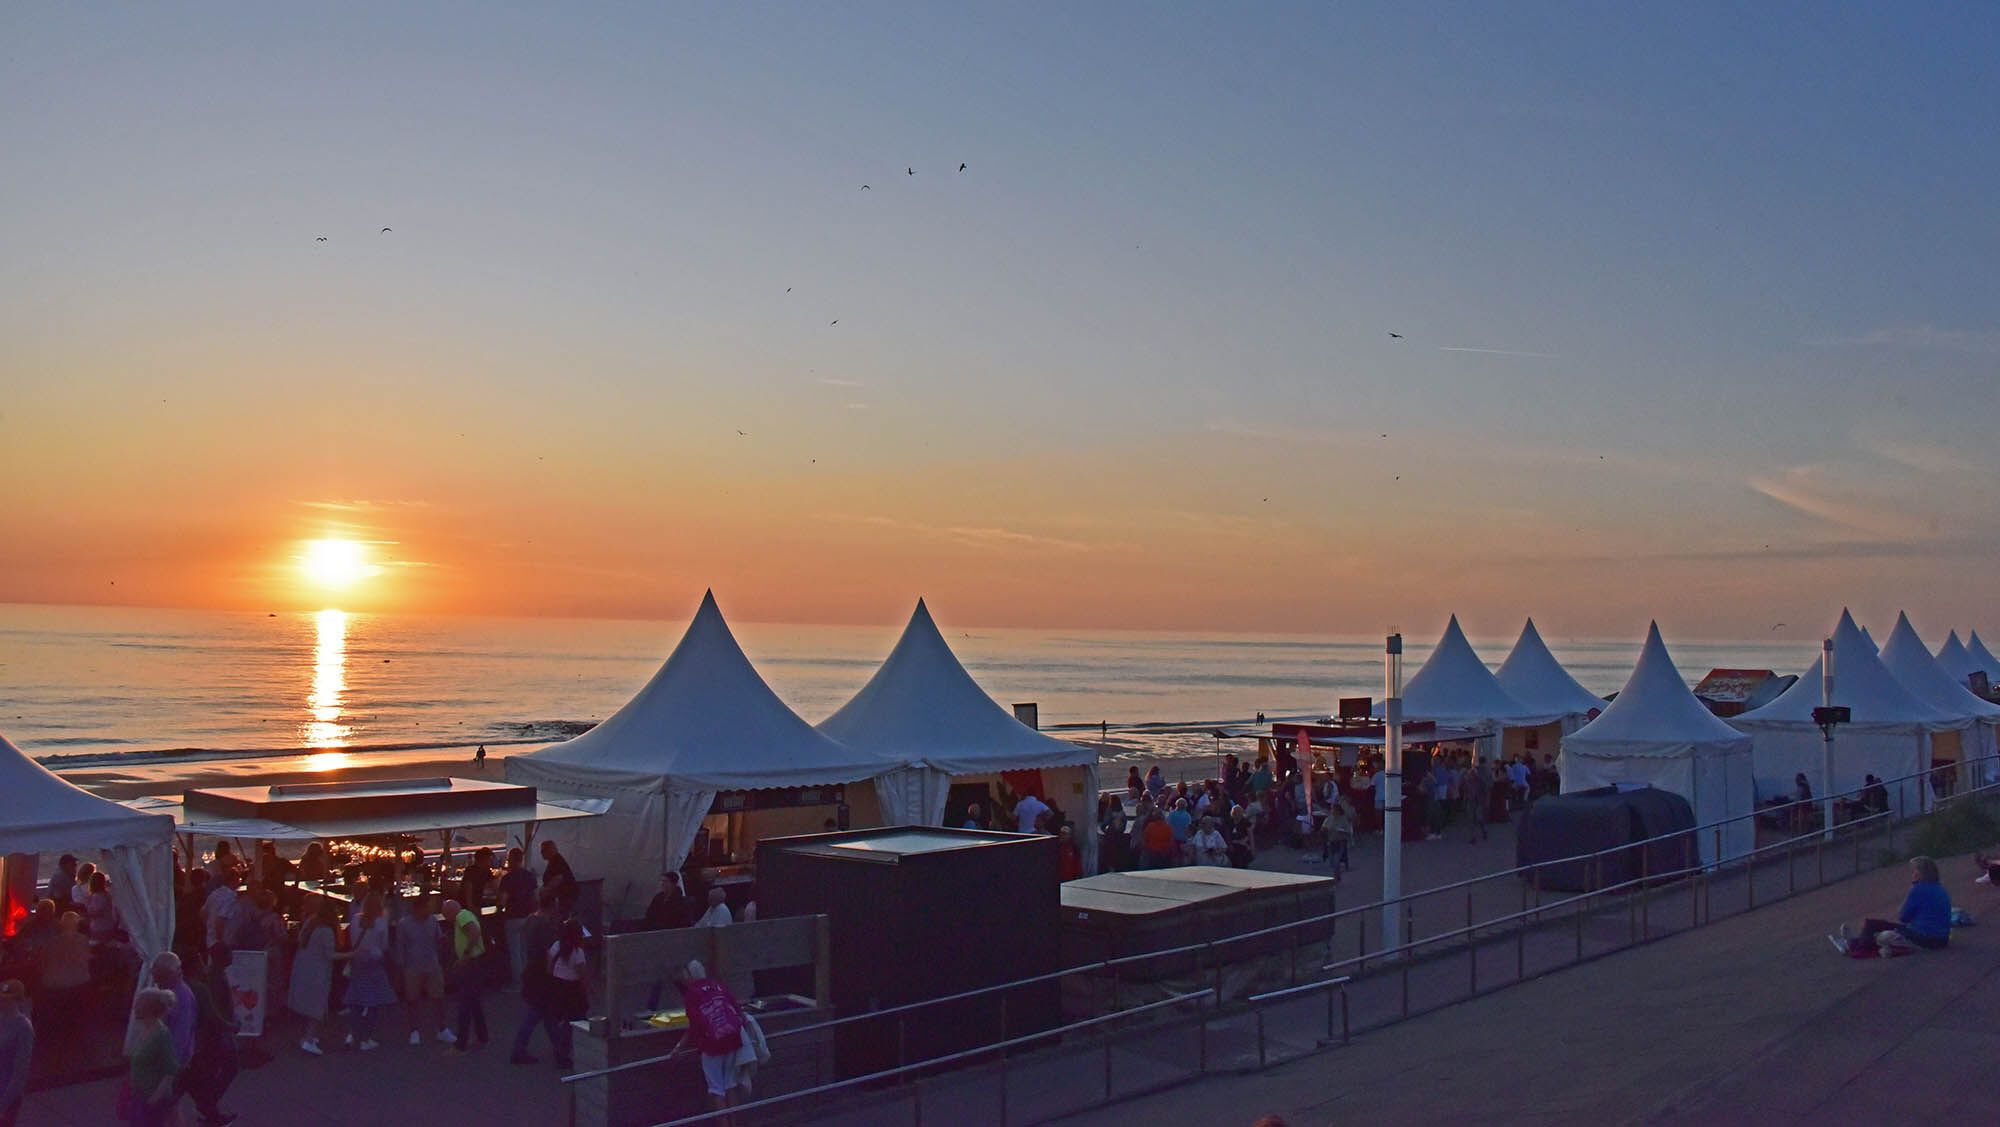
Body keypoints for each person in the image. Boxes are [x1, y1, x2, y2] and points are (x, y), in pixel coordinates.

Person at [1832, 856, 1952, 956]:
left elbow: (1903, 917)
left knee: (1876, 930)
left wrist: (1912, 888)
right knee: (1880, 929)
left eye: (1914, 870)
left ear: (1919, 873)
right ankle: (1853, 943)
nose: (1912, 873)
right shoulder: (1940, 888)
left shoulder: (1918, 889)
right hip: (1941, 939)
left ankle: (1854, 948)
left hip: (1923, 937)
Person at [672, 961, 747, 1114]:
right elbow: (739, 1012)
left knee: (717, 1090)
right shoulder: (718, 987)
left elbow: (695, 1027)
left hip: (712, 1045)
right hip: (732, 1039)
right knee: (730, 1086)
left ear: (689, 976)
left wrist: (679, 1047)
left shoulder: (692, 995)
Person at [177, 948, 239, 1127]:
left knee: (201, 1077)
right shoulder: (201, 985)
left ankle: (208, 1110)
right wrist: (231, 1026)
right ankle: (208, 1109)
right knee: (228, 1067)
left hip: (195, 1039)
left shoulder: (186, 985)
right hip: (209, 1036)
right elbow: (213, 1014)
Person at [334, 893, 396, 1051]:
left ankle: (352, 1034)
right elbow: (384, 945)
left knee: (356, 1001)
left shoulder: (355, 920)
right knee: (373, 1002)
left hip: (357, 961)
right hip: (374, 962)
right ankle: (366, 1038)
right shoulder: (381, 922)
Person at [395, 895, 451, 1045]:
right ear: (418, 908)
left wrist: (443, 941)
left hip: (432, 964)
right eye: (427, 907)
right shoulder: (404, 924)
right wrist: (400, 969)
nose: (429, 910)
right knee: (412, 1000)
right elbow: (400, 948)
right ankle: (414, 1031)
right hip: (412, 967)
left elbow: (438, 939)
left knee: (438, 998)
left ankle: (442, 1029)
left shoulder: (432, 921)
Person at [288, 897, 338, 1055]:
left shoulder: (310, 923)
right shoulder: (326, 930)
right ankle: (309, 1039)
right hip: (318, 970)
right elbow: (330, 954)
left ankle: (309, 1036)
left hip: (303, 967)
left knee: (308, 1002)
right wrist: (352, 954)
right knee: (317, 1004)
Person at [126, 988, 183, 1127]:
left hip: (152, 1100)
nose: (134, 1007)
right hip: (138, 1096)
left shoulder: (161, 1034)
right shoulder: (144, 1029)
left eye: (138, 1004)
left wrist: (154, 1098)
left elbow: (171, 1070)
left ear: (149, 1009)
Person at [444, 897, 490, 1052]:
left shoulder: (461, 916)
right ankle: (482, 1035)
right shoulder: (465, 915)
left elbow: (474, 932)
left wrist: (465, 954)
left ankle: (461, 1041)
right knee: (474, 1001)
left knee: (465, 1002)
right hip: (474, 962)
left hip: (471, 963)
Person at [497, 847, 539, 987]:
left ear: (512, 860)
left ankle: (518, 982)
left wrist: (499, 909)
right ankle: (527, 979)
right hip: (528, 915)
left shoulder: (508, 878)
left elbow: (503, 900)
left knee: (514, 951)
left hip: (513, 916)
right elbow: (535, 896)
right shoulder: (529, 875)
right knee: (524, 950)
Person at [0, 980, 31, 1127]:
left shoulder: (23, 1028)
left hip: (7, 1095)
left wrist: (3, 1105)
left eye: (7, 999)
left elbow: (19, 1073)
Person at [459, 847, 496, 914]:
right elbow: (468, 888)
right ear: (483, 859)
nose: (490, 862)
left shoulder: (487, 871)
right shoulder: (470, 871)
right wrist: (470, 907)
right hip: (466, 906)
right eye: (489, 859)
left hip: (477, 904)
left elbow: (494, 885)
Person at [539, 840, 576, 906]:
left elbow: (558, 879)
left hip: (563, 899)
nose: (541, 853)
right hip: (562, 897)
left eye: (543, 850)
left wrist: (544, 890)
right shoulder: (554, 861)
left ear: (550, 850)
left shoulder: (557, 862)